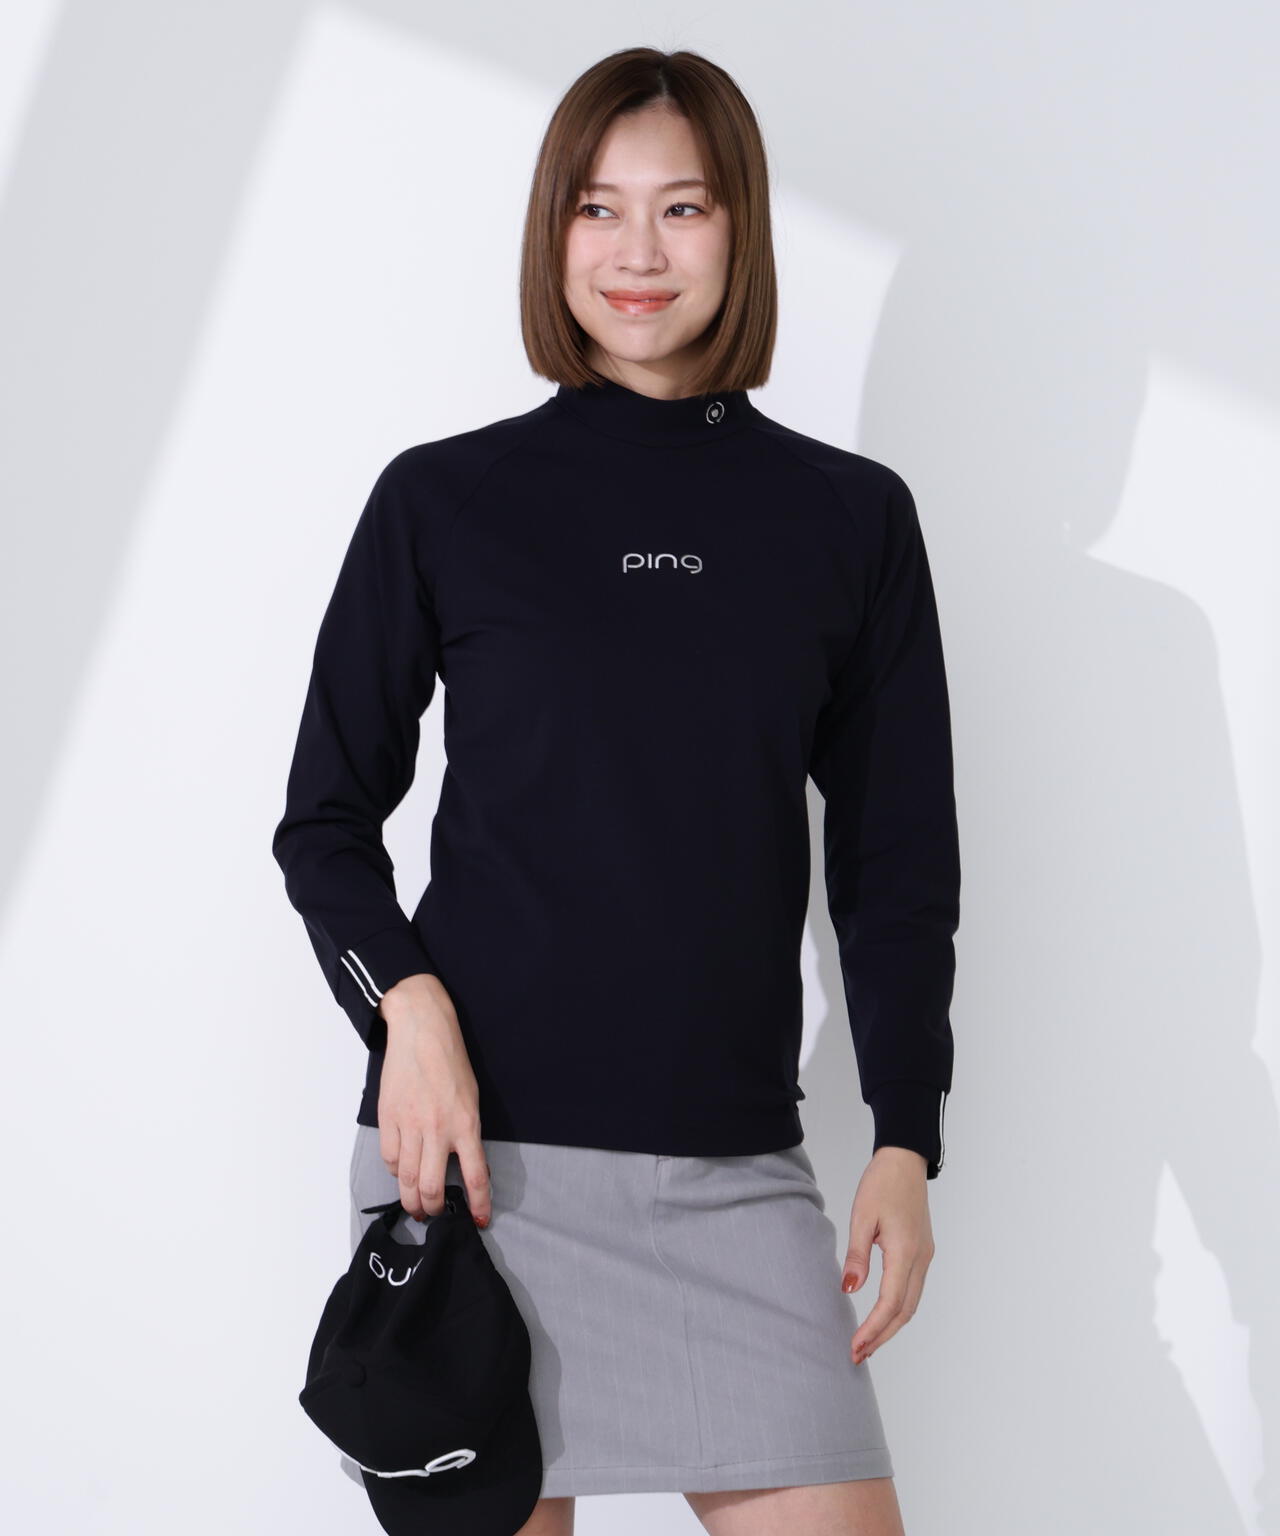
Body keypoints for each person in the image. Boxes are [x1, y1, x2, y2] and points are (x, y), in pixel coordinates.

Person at [272, 45, 959, 1536]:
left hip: (735, 1175)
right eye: (598, 208)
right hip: (473, 1172)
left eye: (682, 207)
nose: (638, 252)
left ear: (740, 228)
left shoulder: (849, 520)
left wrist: (907, 1133)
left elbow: (896, 867)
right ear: (555, 232)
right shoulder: (443, 500)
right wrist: (408, 1009)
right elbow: (323, 820)